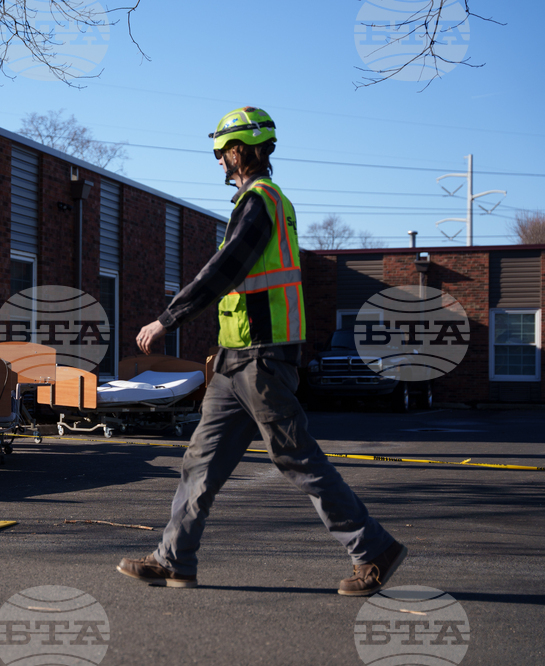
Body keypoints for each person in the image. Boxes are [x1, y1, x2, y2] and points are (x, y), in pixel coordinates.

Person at [115, 107, 406, 596]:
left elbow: (223, 269)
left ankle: (373, 549)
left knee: (297, 458)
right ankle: (174, 560)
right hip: (236, 362)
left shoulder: (260, 201)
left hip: (263, 361)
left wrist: (167, 319)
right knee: (199, 464)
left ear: (239, 150)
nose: (221, 162)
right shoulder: (259, 202)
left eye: (224, 153)